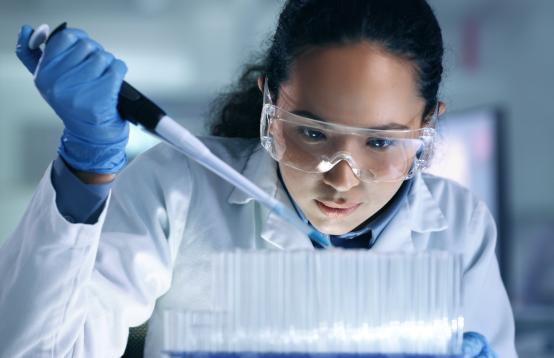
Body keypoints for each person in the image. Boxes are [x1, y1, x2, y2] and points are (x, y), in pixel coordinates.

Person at [0, 0, 516, 357]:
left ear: (427, 125)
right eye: (312, 133)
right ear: (271, 101)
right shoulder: (177, 189)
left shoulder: (459, 225)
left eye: (379, 143)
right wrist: (85, 170)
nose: (340, 179)